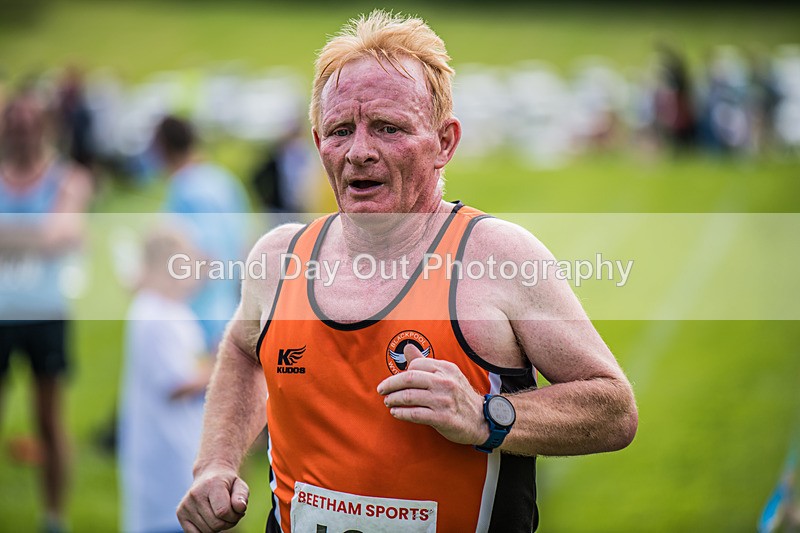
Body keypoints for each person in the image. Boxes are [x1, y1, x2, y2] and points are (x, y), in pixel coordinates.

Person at [178, 10, 638, 533]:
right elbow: (243, 351)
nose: (359, 152)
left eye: (388, 128)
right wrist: (215, 461)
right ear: (318, 142)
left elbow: (613, 408)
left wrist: (486, 415)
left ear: (445, 143)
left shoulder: (498, 258)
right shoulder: (278, 259)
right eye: (340, 130)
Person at [0, 89, 93, 532]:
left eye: (29, 123)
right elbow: (51, 235)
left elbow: (64, 235)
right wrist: (41, 235)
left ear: (44, 127)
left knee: (48, 420)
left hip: (45, 313)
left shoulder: (67, 178)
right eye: (14, 123)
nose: (21, 132)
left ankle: (53, 518)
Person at [118, 227, 211, 533]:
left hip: (179, 440)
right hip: (164, 452)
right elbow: (176, 384)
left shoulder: (172, 310)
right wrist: (222, 369)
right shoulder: (155, 315)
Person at [152, 115, 249, 353]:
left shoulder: (186, 190)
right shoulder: (223, 180)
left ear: (162, 148)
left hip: (201, 317)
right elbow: (243, 245)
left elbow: (205, 257)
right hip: (230, 306)